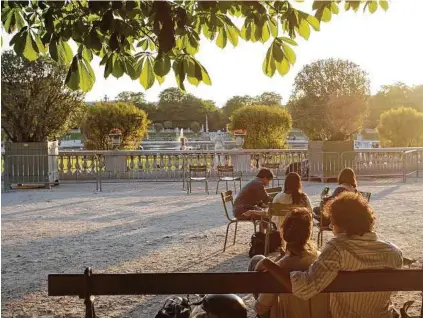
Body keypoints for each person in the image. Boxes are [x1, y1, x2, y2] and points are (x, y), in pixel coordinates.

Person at [255, 192, 403, 318]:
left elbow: (305, 289)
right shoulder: (394, 253)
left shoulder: (337, 249)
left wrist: (267, 263)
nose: (332, 228)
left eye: (333, 223)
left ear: (344, 225)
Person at [248, 208, 329, 318]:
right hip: (319, 314)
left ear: (283, 233)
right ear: (309, 234)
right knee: (258, 259)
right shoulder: (321, 259)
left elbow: (260, 308)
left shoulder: (278, 269)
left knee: (256, 260)